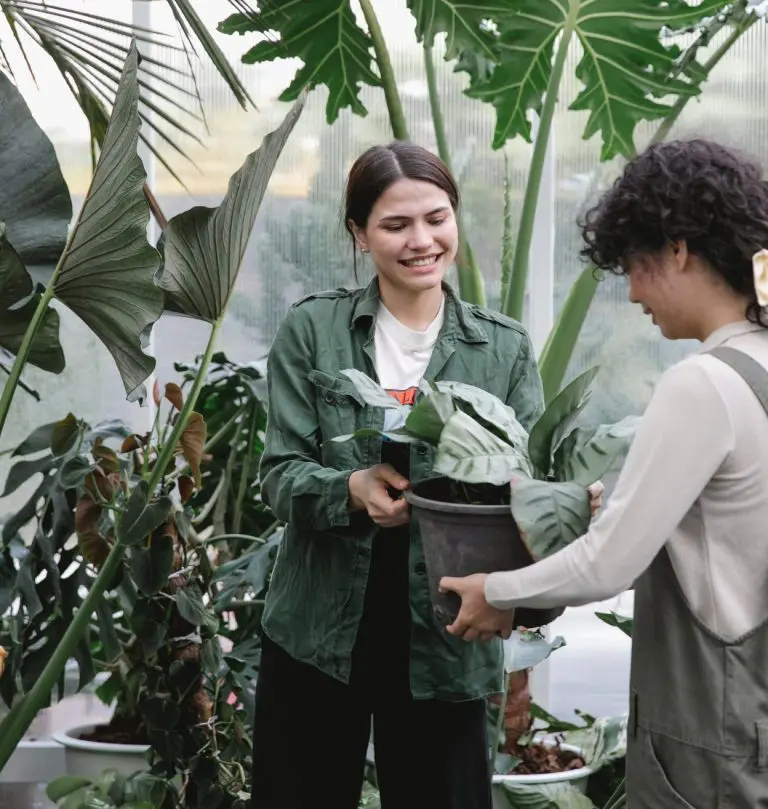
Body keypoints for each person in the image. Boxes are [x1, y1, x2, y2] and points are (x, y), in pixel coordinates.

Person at [439, 138, 768, 808]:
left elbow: (607, 564)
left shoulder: (703, 384)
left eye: (633, 266)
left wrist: (495, 590)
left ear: (678, 248)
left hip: (710, 732)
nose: (634, 292)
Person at [249, 142, 549, 809]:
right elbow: (279, 474)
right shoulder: (314, 330)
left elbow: (526, 486)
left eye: (436, 219)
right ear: (359, 233)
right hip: (318, 631)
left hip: (446, 635)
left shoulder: (501, 348)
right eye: (395, 224)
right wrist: (349, 490)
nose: (422, 241)